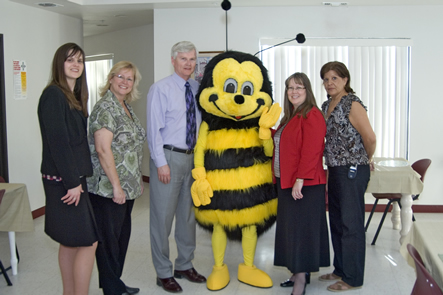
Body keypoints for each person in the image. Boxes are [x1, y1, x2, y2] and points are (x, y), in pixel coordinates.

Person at [37, 42, 98, 295]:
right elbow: (58, 142)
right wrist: (72, 182)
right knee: (88, 241)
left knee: (70, 243)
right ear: (59, 63)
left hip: (72, 178)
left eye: (80, 61)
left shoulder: (72, 96)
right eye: (70, 59)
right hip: (64, 181)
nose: (76, 65)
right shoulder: (53, 95)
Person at [146, 41, 206, 293]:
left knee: (187, 216)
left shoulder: (197, 89)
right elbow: (153, 130)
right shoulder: (160, 89)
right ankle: (162, 272)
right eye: (184, 59)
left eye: (192, 59)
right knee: (162, 218)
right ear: (173, 60)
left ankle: (184, 264)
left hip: (193, 159)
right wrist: (161, 163)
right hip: (168, 158)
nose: (189, 64)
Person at [87, 61, 146, 295]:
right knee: (109, 240)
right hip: (108, 188)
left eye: (129, 78)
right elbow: (103, 150)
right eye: (119, 76)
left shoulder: (125, 106)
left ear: (133, 84)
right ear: (110, 79)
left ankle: (115, 282)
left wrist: (132, 183)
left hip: (127, 186)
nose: (124, 81)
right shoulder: (105, 108)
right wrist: (116, 187)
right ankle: (111, 288)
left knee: (121, 238)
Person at [319, 61, 376, 292]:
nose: (329, 83)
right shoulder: (326, 105)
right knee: (337, 222)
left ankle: (352, 278)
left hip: (352, 169)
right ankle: (340, 269)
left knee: (351, 224)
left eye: (334, 78)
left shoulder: (352, 103)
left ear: (345, 80)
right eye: (325, 79)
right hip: (334, 169)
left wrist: (364, 159)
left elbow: (369, 138)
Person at [273, 73, 330, 295]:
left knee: (301, 233)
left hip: (304, 184)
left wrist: (300, 180)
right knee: (292, 231)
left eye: (299, 87)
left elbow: (312, 150)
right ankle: (298, 272)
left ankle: (300, 281)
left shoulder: (312, 114)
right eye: (289, 88)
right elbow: (284, 144)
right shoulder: (290, 116)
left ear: (307, 91)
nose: (293, 91)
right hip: (286, 182)